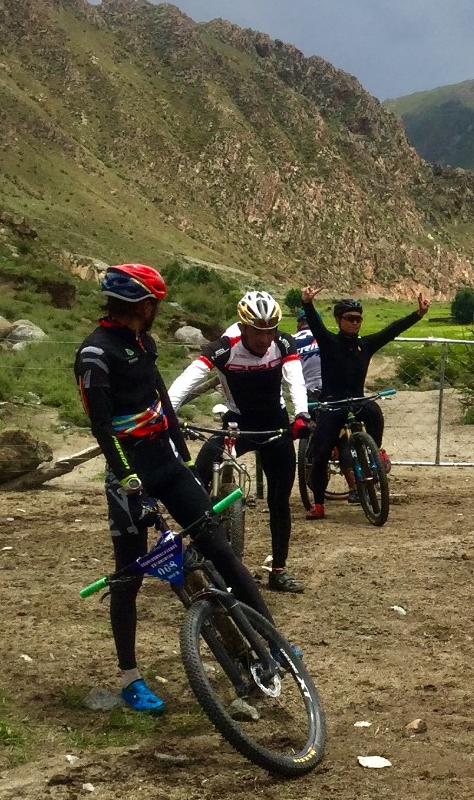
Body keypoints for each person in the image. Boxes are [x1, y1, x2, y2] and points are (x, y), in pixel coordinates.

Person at [73, 263, 278, 714]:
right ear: (143, 304)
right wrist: (129, 480)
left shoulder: (144, 343)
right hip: (128, 476)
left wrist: (182, 455)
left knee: (220, 549)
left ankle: (271, 640)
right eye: (155, 304)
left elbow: (161, 398)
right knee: (128, 578)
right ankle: (130, 678)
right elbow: (102, 428)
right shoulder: (95, 354)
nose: (156, 311)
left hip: (166, 463)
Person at [168, 290, 311, 593]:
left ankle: (279, 570)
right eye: (258, 332)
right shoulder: (224, 348)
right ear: (243, 327)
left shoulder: (283, 343)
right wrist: (165, 414)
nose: (264, 339)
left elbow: (295, 379)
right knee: (201, 470)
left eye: (269, 330)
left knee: (280, 501)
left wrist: (302, 414)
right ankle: (200, 543)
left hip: (274, 423)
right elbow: (187, 380)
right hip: (237, 423)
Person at [300, 286, 429, 519]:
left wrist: (417, 314)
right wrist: (307, 303)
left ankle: (376, 452)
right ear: (339, 320)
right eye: (350, 318)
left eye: (359, 319)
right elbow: (314, 323)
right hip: (333, 404)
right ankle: (318, 504)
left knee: (375, 412)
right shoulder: (328, 341)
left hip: (358, 401)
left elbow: (392, 331)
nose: (355, 323)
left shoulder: (366, 345)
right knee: (320, 454)